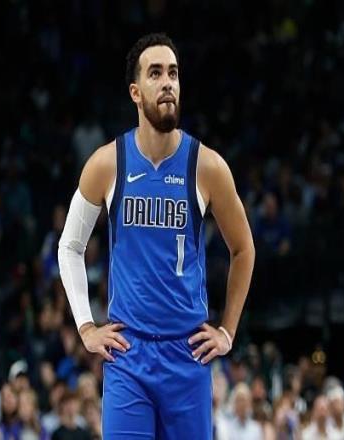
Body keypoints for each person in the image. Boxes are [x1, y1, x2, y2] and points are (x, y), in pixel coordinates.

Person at [58, 32, 255, 439]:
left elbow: (243, 249)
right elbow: (70, 246)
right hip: (128, 356)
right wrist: (86, 327)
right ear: (135, 92)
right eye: (156, 73)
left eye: (174, 73)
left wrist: (227, 331)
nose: (168, 82)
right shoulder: (107, 163)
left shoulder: (208, 166)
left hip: (188, 354)